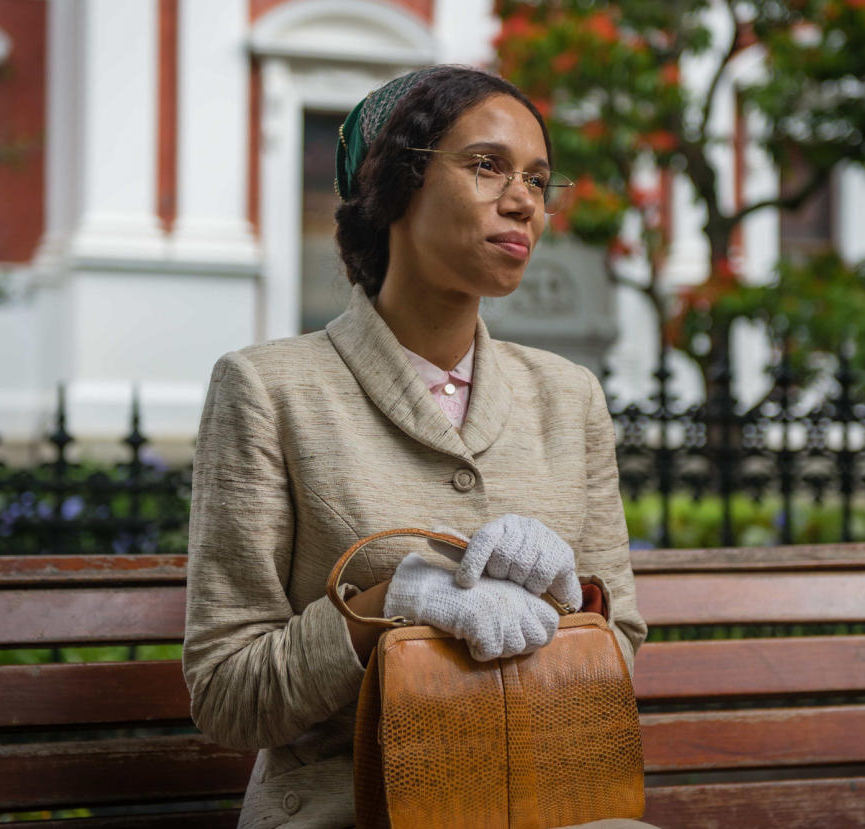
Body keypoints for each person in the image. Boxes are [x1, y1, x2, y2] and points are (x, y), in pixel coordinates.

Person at [183, 65, 652, 828]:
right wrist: (381, 608)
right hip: (349, 810)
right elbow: (228, 696)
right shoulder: (269, 390)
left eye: (538, 178)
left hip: (551, 805)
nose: (523, 199)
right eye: (487, 165)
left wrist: (569, 596)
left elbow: (619, 646)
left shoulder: (569, 397)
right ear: (395, 185)